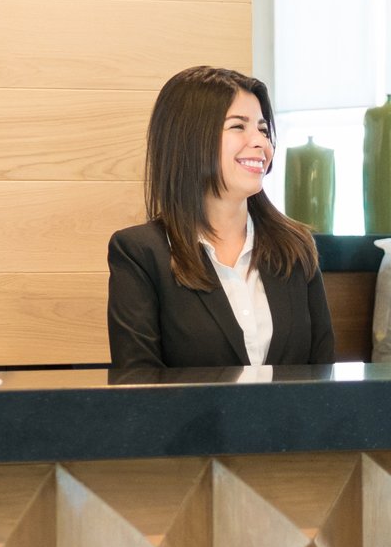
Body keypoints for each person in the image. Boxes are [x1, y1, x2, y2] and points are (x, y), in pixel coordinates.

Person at [104, 65, 338, 373]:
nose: (260, 143)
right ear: (190, 139)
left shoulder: (295, 247)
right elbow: (139, 386)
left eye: (263, 129)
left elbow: (323, 376)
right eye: (239, 127)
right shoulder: (139, 253)